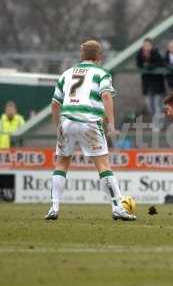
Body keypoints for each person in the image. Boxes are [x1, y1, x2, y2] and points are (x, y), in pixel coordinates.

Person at [45, 40, 135, 221]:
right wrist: (111, 124)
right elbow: (107, 95)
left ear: (81, 56)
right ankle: (117, 207)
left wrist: (58, 126)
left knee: (62, 163)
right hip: (89, 122)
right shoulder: (101, 73)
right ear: (99, 57)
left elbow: (55, 104)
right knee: (103, 165)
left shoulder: (66, 74)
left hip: (67, 121)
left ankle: (54, 207)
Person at [136, 38, 165, 131]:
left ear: (151, 46)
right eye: (145, 45)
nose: (146, 47)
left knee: (157, 104)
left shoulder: (156, 53)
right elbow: (139, 64)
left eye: (148, 45)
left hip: (157, 83)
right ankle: (156, 121)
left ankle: (158, 124)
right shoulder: (140, 54)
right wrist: (144, 65)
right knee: (149, 104)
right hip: (146, 84)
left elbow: (160, 63)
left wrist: (150, 65)